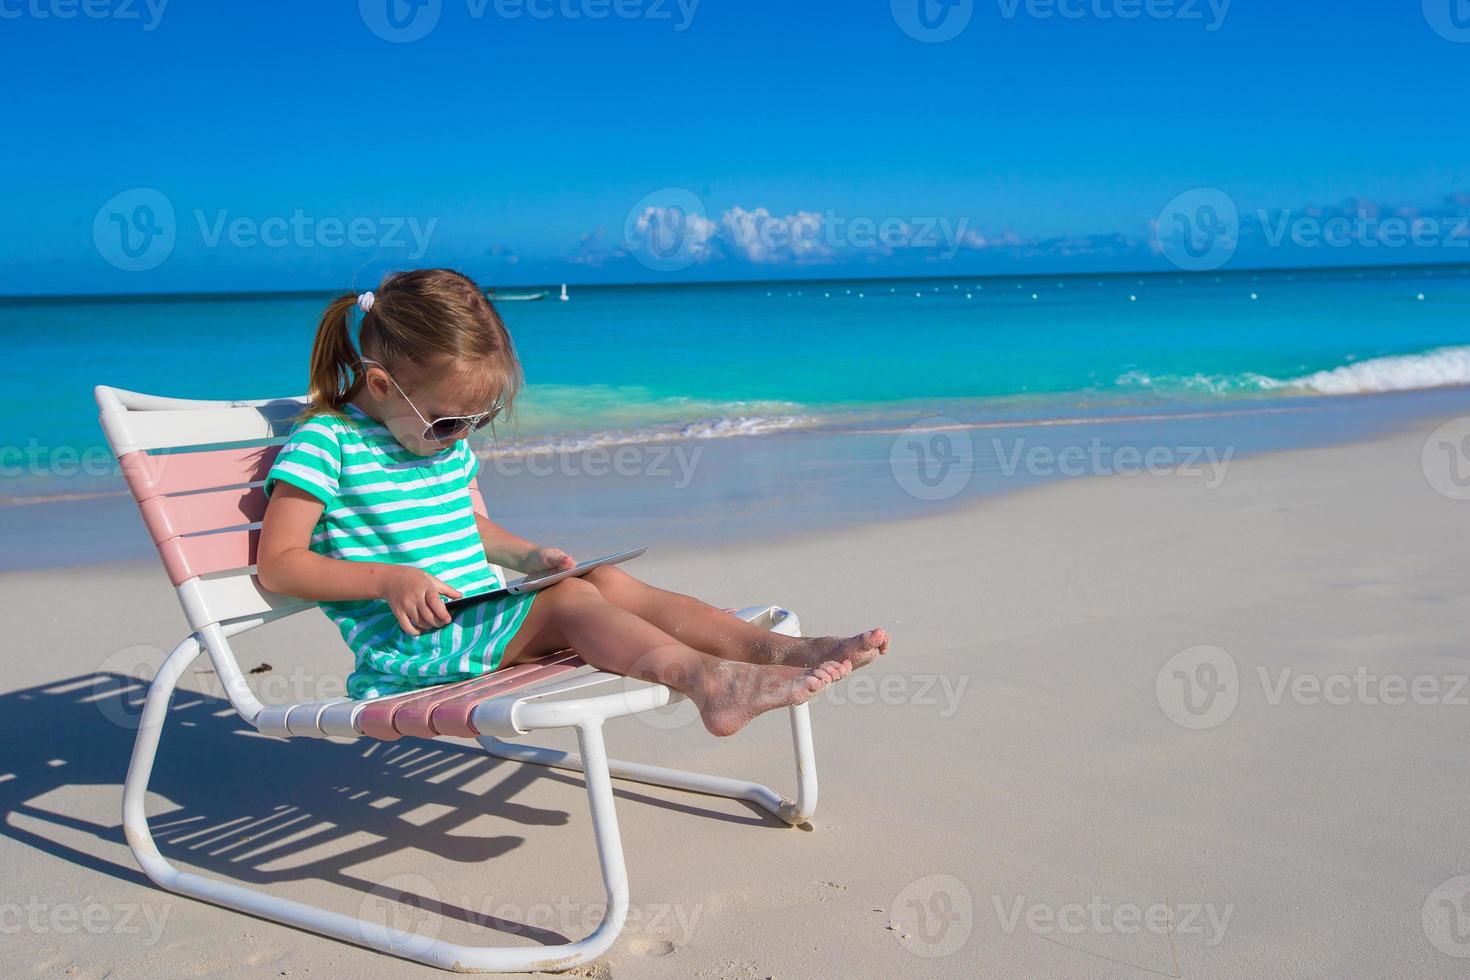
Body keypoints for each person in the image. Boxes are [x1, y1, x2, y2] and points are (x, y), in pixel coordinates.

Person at [256, 269, 889, 736]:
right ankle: (709, 681)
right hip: (418, 648)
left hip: (479, 617)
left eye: (479, 420)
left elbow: (464, 526)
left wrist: (527, 554)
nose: (461, 437)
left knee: (597, 577)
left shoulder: (431, 438)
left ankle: (774, 653)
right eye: (450, 422)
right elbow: (280, 564)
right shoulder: (327, 443)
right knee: (570, 603)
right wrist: (387, 580)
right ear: (380, 384)